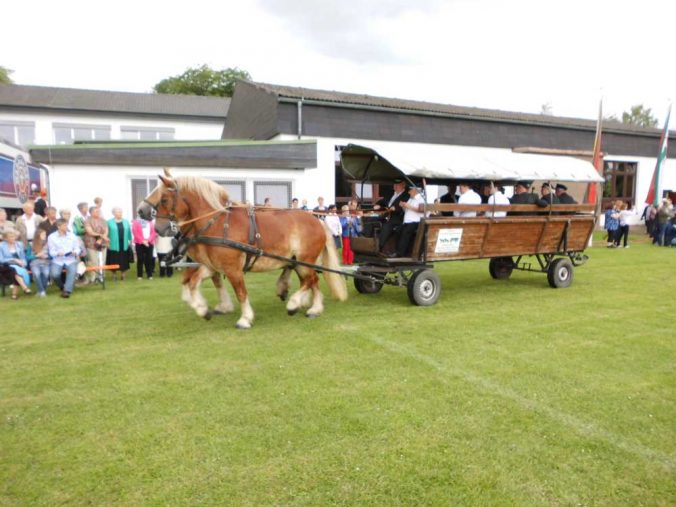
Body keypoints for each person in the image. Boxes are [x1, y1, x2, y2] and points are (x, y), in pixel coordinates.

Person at [48, 218, 81, 298]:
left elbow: (77, 248)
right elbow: (51, 252)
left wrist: (75, 252)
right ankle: (62, 286)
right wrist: (57, 253)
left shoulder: (72, 235)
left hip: (70, 259)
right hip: (57, 260)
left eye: (67, 225)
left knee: (72, 271)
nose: (66, 227)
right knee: (55, 275)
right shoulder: (51, 237)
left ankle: (67, 291)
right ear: (58, 226)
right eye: (64, 225)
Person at [392, 185, 426, 257]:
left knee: (406, 232)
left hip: (417, 222)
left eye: (410, 190)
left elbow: (421, 210)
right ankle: (398, 251)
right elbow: (407, 210)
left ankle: (400, 253)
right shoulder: (410, 199)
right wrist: (403, 206)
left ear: (415, 191)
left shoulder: (422, 199)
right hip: (407, 222)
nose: (409, 192)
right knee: (398, 230)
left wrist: (408, 206)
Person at [377, 179, 409, 252]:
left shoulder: (406, 195)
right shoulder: (391, 193)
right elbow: (382, 201)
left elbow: (404, 206)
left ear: (403, 185)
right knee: (370, 220)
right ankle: (365, 237)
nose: (395, 186)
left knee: (386, 226)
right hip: (386, 216)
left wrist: (396, 208)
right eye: (394, 185)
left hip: (397, 218)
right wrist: (378, 205)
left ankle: (379, 247)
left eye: (397, 185)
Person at [0, 229, 32, 299]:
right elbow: (1, 260)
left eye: (14, 236)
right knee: (14, 270)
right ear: (5, 238)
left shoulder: (19, 244)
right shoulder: (1, 246)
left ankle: (14, 295)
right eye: (10, 237)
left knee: (15, 272)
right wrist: (14, 260)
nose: (13, 238)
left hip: (18, 265)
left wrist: (23, 263)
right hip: (5, 266)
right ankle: (25, 288)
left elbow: (23, 257)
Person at [84, 206, 109, 284]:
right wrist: (101, 236)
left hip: (102, 242)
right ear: (91, 212)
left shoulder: (103, 220)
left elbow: (106, 231)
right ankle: (93, 278)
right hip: (91, 243)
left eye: (99, 211)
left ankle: (101, 277)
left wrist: (101, 239)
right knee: (93, 261)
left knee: (102, 260)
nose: (98, 212)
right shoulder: (87, 220)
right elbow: (90, 232)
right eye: (96, 211)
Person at [106, 207, 132, 281]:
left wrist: (130, 240)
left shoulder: (126, 221)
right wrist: (107, 243)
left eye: (120, 212)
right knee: (114, 259)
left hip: (124, 243)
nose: (120, 213)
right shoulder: (109, 222)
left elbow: (129, 232)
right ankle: (114, 275)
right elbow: (106, 233)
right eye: (118, 212)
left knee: (124, 259)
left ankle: (123, 274)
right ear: (113, 213)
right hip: (113, 244)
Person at [132, 213, 156, 279]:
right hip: (139, 243)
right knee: (140, 259)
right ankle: (139, 275)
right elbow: (135, 233)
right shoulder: (136, 222)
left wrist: (148, 240)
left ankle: (149, 275)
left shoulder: (150, 222)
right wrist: (143, 241)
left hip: (149, 243)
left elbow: (153, 232)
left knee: (149, 259)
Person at [30, 229, 51, 297]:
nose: (45, 236)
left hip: (45, 262)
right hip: (35, 263)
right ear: (38, 236)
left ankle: (40, 291)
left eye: (45, 234)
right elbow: (28, 257)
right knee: (37, 274)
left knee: (46, 274)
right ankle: (42, 291)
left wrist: (47, 256)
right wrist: (36, 256)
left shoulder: (48, 244)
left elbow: (52, 255)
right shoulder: (31, 244)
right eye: (43, 234)